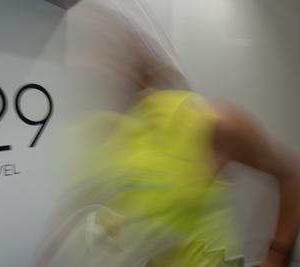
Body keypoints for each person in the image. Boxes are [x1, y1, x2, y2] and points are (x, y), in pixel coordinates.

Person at [35, 1, 300, 266]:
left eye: (109, 49)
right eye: (88, 51)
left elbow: (293, 177)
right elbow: (92, 202)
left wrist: (278, 254)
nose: (98, 64)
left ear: (139, 55)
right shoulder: (103, 133)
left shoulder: (211, 124)